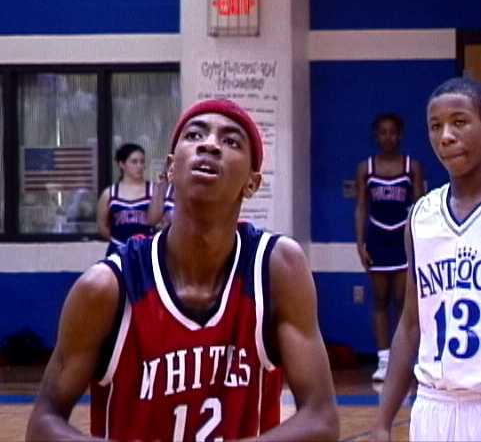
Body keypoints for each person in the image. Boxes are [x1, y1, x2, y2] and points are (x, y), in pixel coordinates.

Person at [26, 99, 339, 441]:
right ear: (171, 169)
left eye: (231, 141)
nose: (209, 145)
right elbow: (42, 424)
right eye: (194, 135)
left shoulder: (277, 269)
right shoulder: (106, 287)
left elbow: (321, 420)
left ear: (252, 183)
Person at [370, 77, 481, 441]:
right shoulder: (421, 217)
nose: (446, 136)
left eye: (459, 122)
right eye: (436, 126)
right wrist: (383, 421)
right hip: (433, 406)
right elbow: (411, 325)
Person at [355, 113, 425, 381]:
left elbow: (420, 206)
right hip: (377, 238)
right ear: (376, 135)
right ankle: (384, 361)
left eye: (393, 132)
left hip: (403, 238)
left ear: (400, 135)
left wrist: (419, 241)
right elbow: (361, 207)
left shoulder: (412, 166)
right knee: (380, 300)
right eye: (383, 132)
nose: (388, 137)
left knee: (404, 302)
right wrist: (360, 242)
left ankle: (405, 360)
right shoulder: (366, 168)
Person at [96, 143, 158, 256]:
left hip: (146, 252)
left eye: (142, 162)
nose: (139, 166)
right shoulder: (109, 194)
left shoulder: (154, 191)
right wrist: (118, 241)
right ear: (122, 164)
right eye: (134, 162)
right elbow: (102, 226)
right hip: (117, 251)